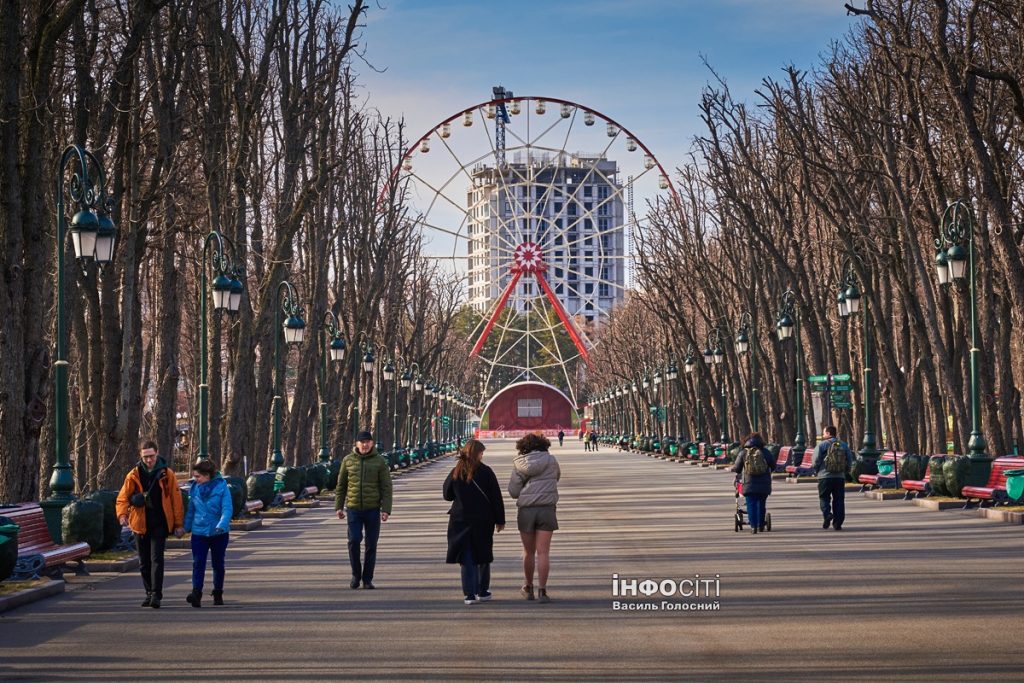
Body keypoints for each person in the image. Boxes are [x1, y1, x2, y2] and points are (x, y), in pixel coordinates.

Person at [116, 440, 185, 609]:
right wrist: (122, 514)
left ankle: (156, 594)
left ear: (157, 453)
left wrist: (178, 524)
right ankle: (148, 592)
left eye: (151, 456)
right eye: (145, 457)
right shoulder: (133, 474)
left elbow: (176, 500)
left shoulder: (167, 474)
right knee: (143, 561)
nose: (149, 460)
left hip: (159, 522)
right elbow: (123, 497)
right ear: (141, 456)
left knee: (156, 559)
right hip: (140, 523)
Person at [443, 439, 505, 605]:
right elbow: (496, 498)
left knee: (466, 557)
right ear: (477, 453)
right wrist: (500, 520)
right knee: (483, 555)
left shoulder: (456, 471)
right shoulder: (486, 472)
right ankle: (482, 591)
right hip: (483, 520)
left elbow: (447, 495)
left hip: (460, 520)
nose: (482, 456)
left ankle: (469, 594)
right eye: (481, 452)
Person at [335, 431, 393, 589]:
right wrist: (339, 507)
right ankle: (356, 575)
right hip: (353, 509)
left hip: (373, 509)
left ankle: (367, 579)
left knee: (371, 544)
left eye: (368, 441)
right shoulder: (348, 461)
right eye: (362, 442)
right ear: (356, 444)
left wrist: (386, 509)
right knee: (353, 541)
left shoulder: (380, 461)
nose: (365, 444)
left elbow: (386, 487)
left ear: (372, 443)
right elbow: (341, 486)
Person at [508, 433, 560, 604]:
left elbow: (513, 492)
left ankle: (528, 587)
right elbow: (556, 478)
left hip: (526, 511)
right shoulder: (551, 461)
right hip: (547, 509)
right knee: (543, 552)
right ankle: (543, 591)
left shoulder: (519, 464)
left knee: (528, 551)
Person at [183, 458, 233, 607]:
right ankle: (196, 593)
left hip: (219, 533)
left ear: (207, 475)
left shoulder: (222, 487)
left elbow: (227, 508)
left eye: (198, 476)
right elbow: (191, 511)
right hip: (199, 532)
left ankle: (218, 592)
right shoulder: (194, 488)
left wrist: (222, 524)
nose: (195, 479)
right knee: (198, 563)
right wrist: (184, 528)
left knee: (218, 564)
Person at [731, 433, 777, 534]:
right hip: (764, 484)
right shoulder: (765, 452)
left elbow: (737, 468)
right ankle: (761, 525)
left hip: (748, 484)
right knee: (761, 504)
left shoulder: (743, 452)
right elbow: (773, 466)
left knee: (751, 505)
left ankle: (753, 527)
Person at [812, 425, 853, 530]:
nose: (823, 434)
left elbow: (816, 460)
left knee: (824, 498)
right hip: (839, 477)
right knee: (839, 499)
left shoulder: (821, 445)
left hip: (824, 476)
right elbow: (849, 459)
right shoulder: (843, 445)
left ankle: (827, 514)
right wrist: (845, 471)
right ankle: (838, 523)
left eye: (824, 432)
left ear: (829, 434)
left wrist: (817, 471)